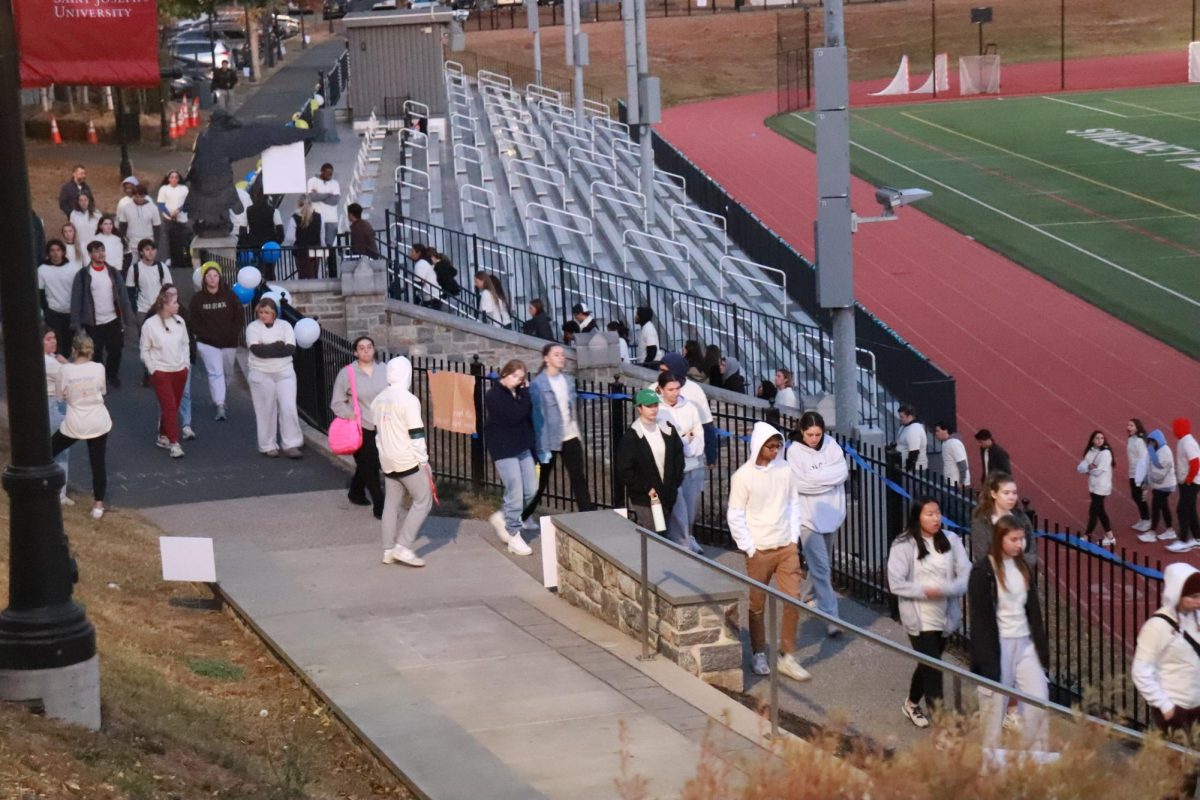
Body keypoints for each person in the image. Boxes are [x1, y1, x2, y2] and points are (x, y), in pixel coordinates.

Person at [728, 421, 811, 683]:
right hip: (759, 550)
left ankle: (787, 656)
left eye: (778, 446)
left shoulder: (785, 470)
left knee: (793, 600)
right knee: (757, 604)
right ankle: (758, 651)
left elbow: (794, 504)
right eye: (771, 446)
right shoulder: (743, 476)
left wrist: (793, 539)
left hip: (786, 547)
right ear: (759, 447)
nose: (775, 451)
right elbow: (736, 514)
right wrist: (750, 547)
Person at [967, 514, 1050, 754]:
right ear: (1000, 539)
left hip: (1023, 644)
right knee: (994, 712)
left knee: (1038, 700)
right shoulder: (983, 572)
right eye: (1014, 539)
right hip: (997, 648)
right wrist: (988, 664)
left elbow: (1033, 611)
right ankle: (990, 760)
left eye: (1021, 539)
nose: (1019, 545)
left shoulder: (1022, 568)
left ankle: (1037, 756)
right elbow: (980, 620)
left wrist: (1041, 651)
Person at [887, 498, 970, 728]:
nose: (936, 518)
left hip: (943, 617)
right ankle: (942, 726)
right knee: (934, 668)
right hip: (918, 618)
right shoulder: (904, 544)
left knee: (928, 664)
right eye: (929, 514)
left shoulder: (951, 540)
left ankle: (911, 703)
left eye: (937, 513)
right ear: (917, 517)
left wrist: (946, 589)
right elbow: (896, 583)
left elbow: (965, 574)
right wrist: (926, 591)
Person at [787, 411, 849, 637]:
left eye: (818, 434)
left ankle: (807, 596)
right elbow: (798, 484)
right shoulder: (793, 451)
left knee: (821, 562)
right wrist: (826, 481)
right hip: (808, 518)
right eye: (810, 434)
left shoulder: (831, 445)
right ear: (802, 431)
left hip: (830, 513)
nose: (814, 439)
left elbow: (841, 473)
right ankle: (831, 616)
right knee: (822, 567)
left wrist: (817, 480)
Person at [371, 356, 433, 568]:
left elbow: (377, 434)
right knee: (423, 500)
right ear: (407, 374)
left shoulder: (378, 400)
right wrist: (424, 461)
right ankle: (403, 546)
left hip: (387, 458)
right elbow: (416, 434)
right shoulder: (408, 400)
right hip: (406, 458)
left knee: (391, 502)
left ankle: (388, 549)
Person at [1132, 562, 1200, 742]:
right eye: (1193, 596)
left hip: (1197, 704)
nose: (1198, 601)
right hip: (1177, 709)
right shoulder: (1156, 627)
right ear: (1178, 595)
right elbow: (1141, 671)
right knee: (1180, 766)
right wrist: (1166, 707)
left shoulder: (1197, 616)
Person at [528, 343, 593, 515]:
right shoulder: (538, 384)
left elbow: (571, 408)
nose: (561, 357)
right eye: (556, 354)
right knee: (540, 481)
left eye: (562, 354)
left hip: (570, 435)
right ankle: (521, 515)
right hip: (549, 438)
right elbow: (536, 415)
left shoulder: (568, 380)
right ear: (546, 358)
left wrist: (577, 432)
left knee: (578, 477)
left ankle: (589, 514)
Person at [51, 333, 111, 520]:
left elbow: (60, 396)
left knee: (49, 449)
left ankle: (46, 485)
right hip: (98, 420)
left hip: (75, 421)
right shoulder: (99, 368)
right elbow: (103, 390)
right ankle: (98, 506)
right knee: (98, 463)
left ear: (73, 350)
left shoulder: (66, 370)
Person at [331, 336, 389, 520]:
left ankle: (356, 491)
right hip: (360, 424)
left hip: (383, 423)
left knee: (368, 463)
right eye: (361, 348)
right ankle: (380, 505)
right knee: (370, 464)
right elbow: (337, 402)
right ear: (355, 352)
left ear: (374, 349)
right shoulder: (347, 373)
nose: (366, 350)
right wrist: (350, 415)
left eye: (369, 347)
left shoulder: (384, 370)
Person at [484, 359, 537, 556]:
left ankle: (505, 517)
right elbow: (513, 416)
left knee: (531, 490)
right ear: (505, 374)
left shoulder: (520, 395)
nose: (516, 381)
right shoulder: (494, 395)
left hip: (522, 446)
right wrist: (525, 394)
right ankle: (513, 533)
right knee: (514, 488)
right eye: (514, 376)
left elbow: (528, 415)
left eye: (521, 378)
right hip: (503, 448)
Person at [618, 389, 685, 537]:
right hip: (645, 497)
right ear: (639, 408)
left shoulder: (667, 429)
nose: (653, 409)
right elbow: (625, 470)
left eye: (655, 405)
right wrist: (647, 488)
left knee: (662, 533)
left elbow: (678, 457)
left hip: (667, 493)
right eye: (649, 406)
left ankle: (659, 559)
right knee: (655, 534)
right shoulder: (631, 437)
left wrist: (675, 481)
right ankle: (655, 559)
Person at [69, 241, 134, 387]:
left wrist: (128, 317)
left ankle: (112, 375)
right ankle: (100, 379)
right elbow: (76, 300)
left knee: (116, 350)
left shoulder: (113, 272)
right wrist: (76, 324)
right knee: (96, 353)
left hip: (112, 319)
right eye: (97, 251)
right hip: (93, 322)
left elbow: (122, 296)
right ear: (90, 254)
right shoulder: (83, 275)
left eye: (102, 250)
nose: (100, 254)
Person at [245, 297, 303, 458]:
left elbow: (290, 348)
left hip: (284, 372)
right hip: (261, 372)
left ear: (274, 313)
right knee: (265, 409)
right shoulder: (253, 328)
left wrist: (270, 348)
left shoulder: (285, 326)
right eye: (261, 312)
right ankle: (267, 444)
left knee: (288, 407)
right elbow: (258, 350)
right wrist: (278, 346)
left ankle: (291, 443)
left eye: (267, 312)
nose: (263, 316)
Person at [655, 373, 705, 554]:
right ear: (661, 389)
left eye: (677, 389)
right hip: (672, 467)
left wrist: (686, 440)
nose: (675, 393)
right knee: (679, 509)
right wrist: (685, 437)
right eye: (670, 389)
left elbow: (698, 434)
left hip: (693, 465)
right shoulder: (658, 410)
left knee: (691, 508)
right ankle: (681, 544)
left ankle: (688, 537)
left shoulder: (690, 407)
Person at [139, 287, 190, 458]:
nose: (178, 305)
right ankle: (174, 443)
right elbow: (145, 350)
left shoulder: (179, 322)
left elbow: (185, 344)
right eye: (175, 302)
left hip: (179, 371)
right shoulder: (150, 325)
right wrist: (153, 370)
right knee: (169, 407)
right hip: (161, 372)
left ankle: (163, 435)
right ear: (165, 305)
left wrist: (186, 365)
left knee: (172, 407)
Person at [189, 262, 243, 421]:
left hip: (228, 341)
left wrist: (232, 333)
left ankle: (221, 395)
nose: (212, 279)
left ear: (219, 277)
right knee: (215, 372)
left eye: (215, 275)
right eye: (209, 276)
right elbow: (194, 321)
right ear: (204, 279)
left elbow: (238, 317)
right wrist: (204, 335)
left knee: (227, 372)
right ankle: (220, 403)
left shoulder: (230, 296)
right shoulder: (198, 299)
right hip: (207, 342)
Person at [971, 472, 1035, 562]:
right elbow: (981, 555)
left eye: (1014, 493)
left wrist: (1020, 566)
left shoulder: (1022, 518)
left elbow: (1032, 554)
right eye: (1006, 493)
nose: (1011, 497)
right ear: (994, 494)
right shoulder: (982, 520)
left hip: (1021, 573)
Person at [42, 328, 72, 505]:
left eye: (54, 338)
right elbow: (71, 376)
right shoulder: (50, 362)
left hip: (54, 403)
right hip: (55, 405)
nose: (53, 341)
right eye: (48, 339)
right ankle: (59, 493)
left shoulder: (52, 359)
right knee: (61, 450)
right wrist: (66, 362)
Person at [38, 239, 80, 357]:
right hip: (53, 312)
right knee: (56, 343)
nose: (55, 253)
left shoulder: (73, 268)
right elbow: (40, 292)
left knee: (69, 341)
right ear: (48, 253)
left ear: (63, 252)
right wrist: (46, 309)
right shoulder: (42, 269)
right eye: (52, 250)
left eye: (58, 250)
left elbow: (78, 290)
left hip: (70, 311)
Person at [1077, 430, 1116, 547]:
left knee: (1094, 510)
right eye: (1097, 438)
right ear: (1093, 440)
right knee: (1099, 511)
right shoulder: (1090, 452)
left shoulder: (1106, 453)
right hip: (1093, 486)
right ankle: (1109, 536)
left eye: (1102, 438)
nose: (1099, 440)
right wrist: (1089, 467)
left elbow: (1098, 471)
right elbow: (1080, 467)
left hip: (1102, 486)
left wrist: (1088, 468)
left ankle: (1087, 536)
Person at [1142, 429, 1178, 544]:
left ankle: (1152, 532)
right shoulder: (1155, 451)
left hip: (1165, 485)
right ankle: (1170, 530)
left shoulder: (1165, 452)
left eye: (1153, 441)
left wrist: (1151, 479)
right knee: (1163, 507)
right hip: (1160, 485)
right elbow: (1150, 466)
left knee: (1156, 507)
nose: (1151, 444)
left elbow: (1160, 471)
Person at [117, 186, 160, 270]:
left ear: (145, 196)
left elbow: (157, 227)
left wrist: (156, 245)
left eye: (141, 196)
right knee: (131, 267)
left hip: (148, 242)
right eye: (136, 196)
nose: (139, 199)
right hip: (131, 242)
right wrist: (123, 242)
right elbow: (122, 226)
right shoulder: (126, 207)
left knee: (148, 267)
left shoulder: (153, 208)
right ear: (133, 195)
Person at [1174, 418, 1200, 553]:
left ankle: (1183, 540)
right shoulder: (1183, 441)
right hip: (1187, 482)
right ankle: (1197, 537)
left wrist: (1189, 480)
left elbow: (1195, 463)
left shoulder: (1187, 442)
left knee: (1182, 510)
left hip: (1191, 483)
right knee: (1189, 509)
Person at [125, 240, 168, 322]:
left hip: (160, 308)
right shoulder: (134, 269)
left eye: (153, 249)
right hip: (142, 310)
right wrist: (134, 310)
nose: (151, 252)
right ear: (141, 252)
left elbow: (169, 289)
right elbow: (130, 292)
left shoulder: (162, 267)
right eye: (147, 249)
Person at [157, 170, 191, 269]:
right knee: (169, 238)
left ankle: (184, 257)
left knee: (183, 238)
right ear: (168, 179)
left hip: (182, 218)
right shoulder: (164, 189)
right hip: (169, 218)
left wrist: (178, 211)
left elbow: (187, 202)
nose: (174, 179)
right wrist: (170, 214)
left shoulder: (183, 189)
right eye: (172, 177)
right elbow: (161, 204)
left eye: (176, 177)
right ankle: (169, 257)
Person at [306, 163, 340, 259]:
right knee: (317, 246)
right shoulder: (312, 181)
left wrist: (319, 195)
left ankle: (330, 269)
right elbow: (312, 197)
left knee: (330, 247)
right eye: (328, 173)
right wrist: (328, 194)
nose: (330, 176)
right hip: (317, 219)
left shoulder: (335, 183)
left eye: (331, 174)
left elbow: (335, 201)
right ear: (322, 171)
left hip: (331, 219)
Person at [288, 197, 324, 279]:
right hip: (316, 250)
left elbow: (290, 237)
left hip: (300, 251)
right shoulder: (319, 217)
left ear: (298, 204)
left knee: (302, 274)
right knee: (314, 274)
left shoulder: (294, 218)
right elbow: (322, 234)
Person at [934, 421, 971, 489]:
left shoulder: (954, 443)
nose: (936, 433)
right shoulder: (945, 443)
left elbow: (962, 464)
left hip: (956, 483)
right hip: (950, 482)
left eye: (938, 431)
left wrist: (962, 482)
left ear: (945, 430)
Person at [896, 404, 929, 471]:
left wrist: (908, 468)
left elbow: (914, 452)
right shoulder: (905, 427)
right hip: (905, 466)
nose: (900, 419)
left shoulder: (914, 429)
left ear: (910, 416)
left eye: (902, 417)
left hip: (915, 468)